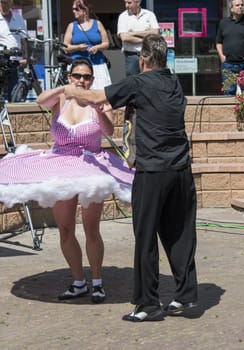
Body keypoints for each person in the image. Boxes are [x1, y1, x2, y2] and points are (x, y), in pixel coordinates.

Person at [0, 58, 134, 304]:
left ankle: (98, 282)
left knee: (92, 229)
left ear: (93, 79)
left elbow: (110, 132)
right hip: (60, 166)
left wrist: (100, 112)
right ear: (70, 77)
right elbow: (41, 101)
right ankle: (79, 281)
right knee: (66, 228)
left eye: (87, 77)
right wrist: (64, 90)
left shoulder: (99, 99)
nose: (82, 80)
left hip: (91, 166)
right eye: (77, 76)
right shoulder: (60, 99)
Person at [64, 34, 198, 322]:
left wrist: (72, 90)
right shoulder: (173, 82)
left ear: (143, 59)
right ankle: (186, 296)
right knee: (181, 234)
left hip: (153, 171)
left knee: (146, 237)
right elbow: (142, 107)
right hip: (181, 170)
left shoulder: (139, 82)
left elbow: (97, 96)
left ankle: (148, 304)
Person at [216, 0, 244, 96]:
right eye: (237, 5)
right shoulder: (223, 23)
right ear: (231, 8)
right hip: (228, 64)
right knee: (228, 92)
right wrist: (221, 56)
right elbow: (218, 42)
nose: (240, 7)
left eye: (242, 5)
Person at [63, 0, 111, 90]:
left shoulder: (98, 24)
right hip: (77, 65)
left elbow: (106, 43)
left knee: (99, 92)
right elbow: (65, 47)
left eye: (76, 9)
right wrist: (78, 47)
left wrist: (97, 47)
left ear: (85, 10)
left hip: (97, 64)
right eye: (73, 9)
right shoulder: (72, 26)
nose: (74, 11)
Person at [117, 0, 159, 77]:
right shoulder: (123, 16)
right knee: (133, 82)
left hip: (148, 55)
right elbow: (124, 37)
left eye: (129, 3)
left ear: (138, 2)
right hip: (132, 56)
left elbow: (155, 32)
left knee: (149, 79)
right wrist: (146, 39)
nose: (126, 5)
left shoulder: (149, 15)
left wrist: (133, 33)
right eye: (125, 2)